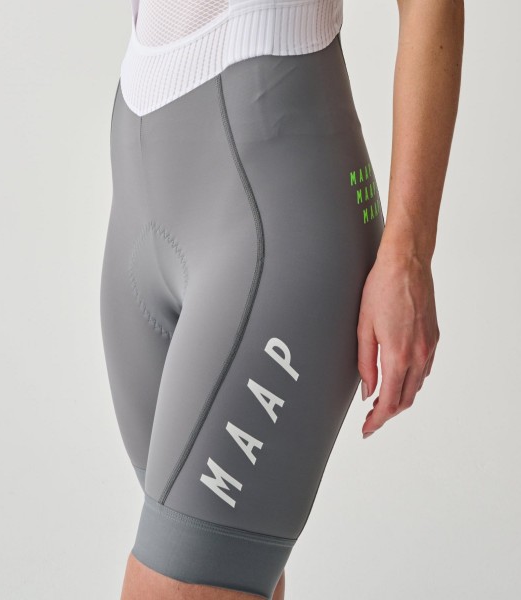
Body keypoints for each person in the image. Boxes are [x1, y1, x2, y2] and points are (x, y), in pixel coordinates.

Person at [99, 0, 465, 598]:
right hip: (139, 198)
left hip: (273, 213)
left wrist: (409, 254)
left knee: (177, 572)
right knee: (223, 569)